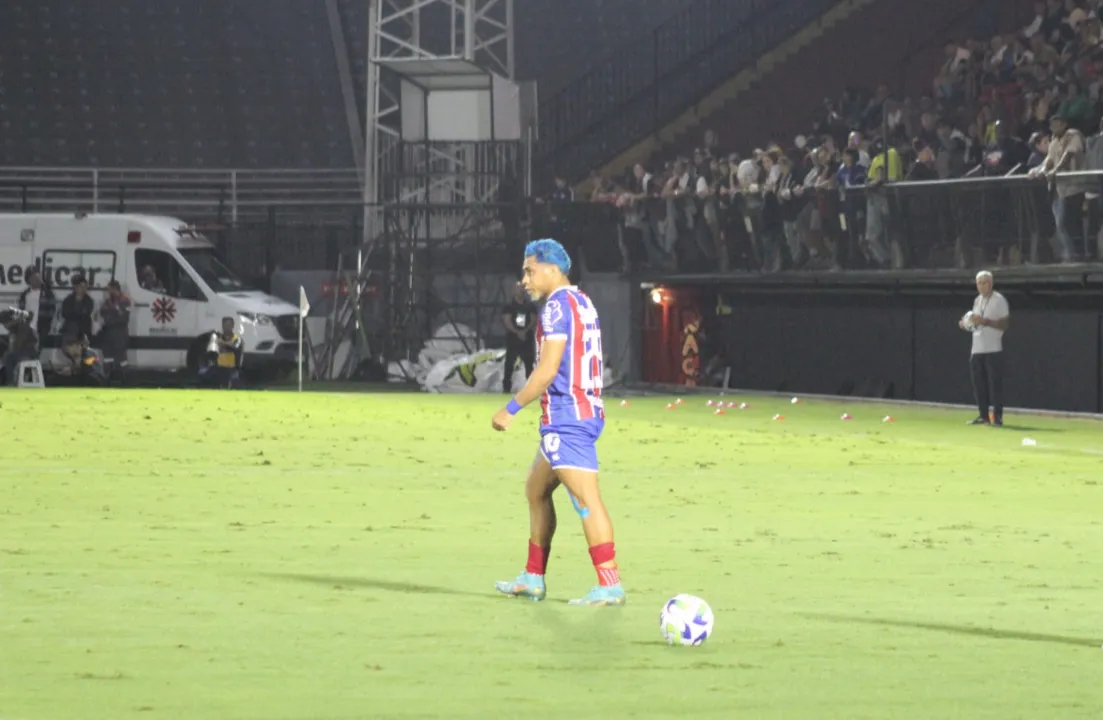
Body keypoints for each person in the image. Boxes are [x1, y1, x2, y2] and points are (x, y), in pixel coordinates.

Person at [490, 238, 623, 607]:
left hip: (569, 418)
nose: (525, 279)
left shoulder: (555, 308)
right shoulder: (582, 301)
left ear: (552, 270)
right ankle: (533, 577)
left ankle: (610, 583)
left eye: (530, 270)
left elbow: (547, 370)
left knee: (586, 500)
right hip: (578, 413)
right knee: (536, 489)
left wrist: (511, 409)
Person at [960, 270, 1010, 426]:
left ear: (991, 283)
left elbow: (1005, 324)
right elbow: (975, 322)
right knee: (979, 385)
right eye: (979, 283)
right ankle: (983, 416)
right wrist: (965, 323)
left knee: (995, 385)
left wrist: (985, 321)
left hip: (993, 348)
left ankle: (998, 417)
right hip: (977, 349)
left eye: (985, 282)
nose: (982, 286)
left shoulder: (999, 300)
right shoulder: (977, 300)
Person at [500, 282, 537, 394]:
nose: (520, 290)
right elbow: (507, 321)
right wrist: (517, 332)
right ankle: (506, 389)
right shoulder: (509, 306)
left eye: (522, 288)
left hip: (527, 339)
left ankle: (530, 389)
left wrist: (525, 331)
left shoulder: (530, 306)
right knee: (509, 365)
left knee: (529, 365)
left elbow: (533, 319)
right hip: (513, 340)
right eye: (517, 288)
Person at [97, 280, 131, 383]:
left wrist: (111, 314)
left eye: (109, 289)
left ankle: (127, 379)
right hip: (108, 332)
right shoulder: (108, 300)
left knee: (122, 357)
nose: (108, 291)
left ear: (115, 288)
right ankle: (106, 379)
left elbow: (123, 317)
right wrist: (113, 313)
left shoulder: (125, 300)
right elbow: (103, 312)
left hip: (119, 332)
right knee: (107, 356)